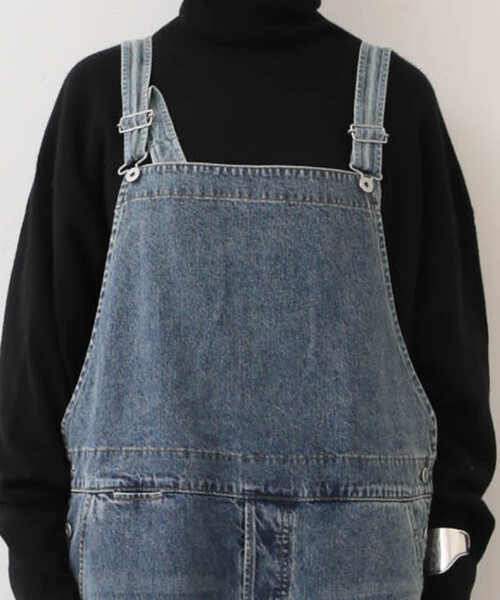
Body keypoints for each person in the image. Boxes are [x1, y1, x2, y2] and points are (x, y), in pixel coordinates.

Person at [0, 1, 495, 598]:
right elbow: (36, 369)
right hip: (146, 555)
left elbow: (452, 373)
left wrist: (451, 558)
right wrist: (36, 562)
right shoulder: (101, 98)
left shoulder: (399, 105)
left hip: (356, 559)